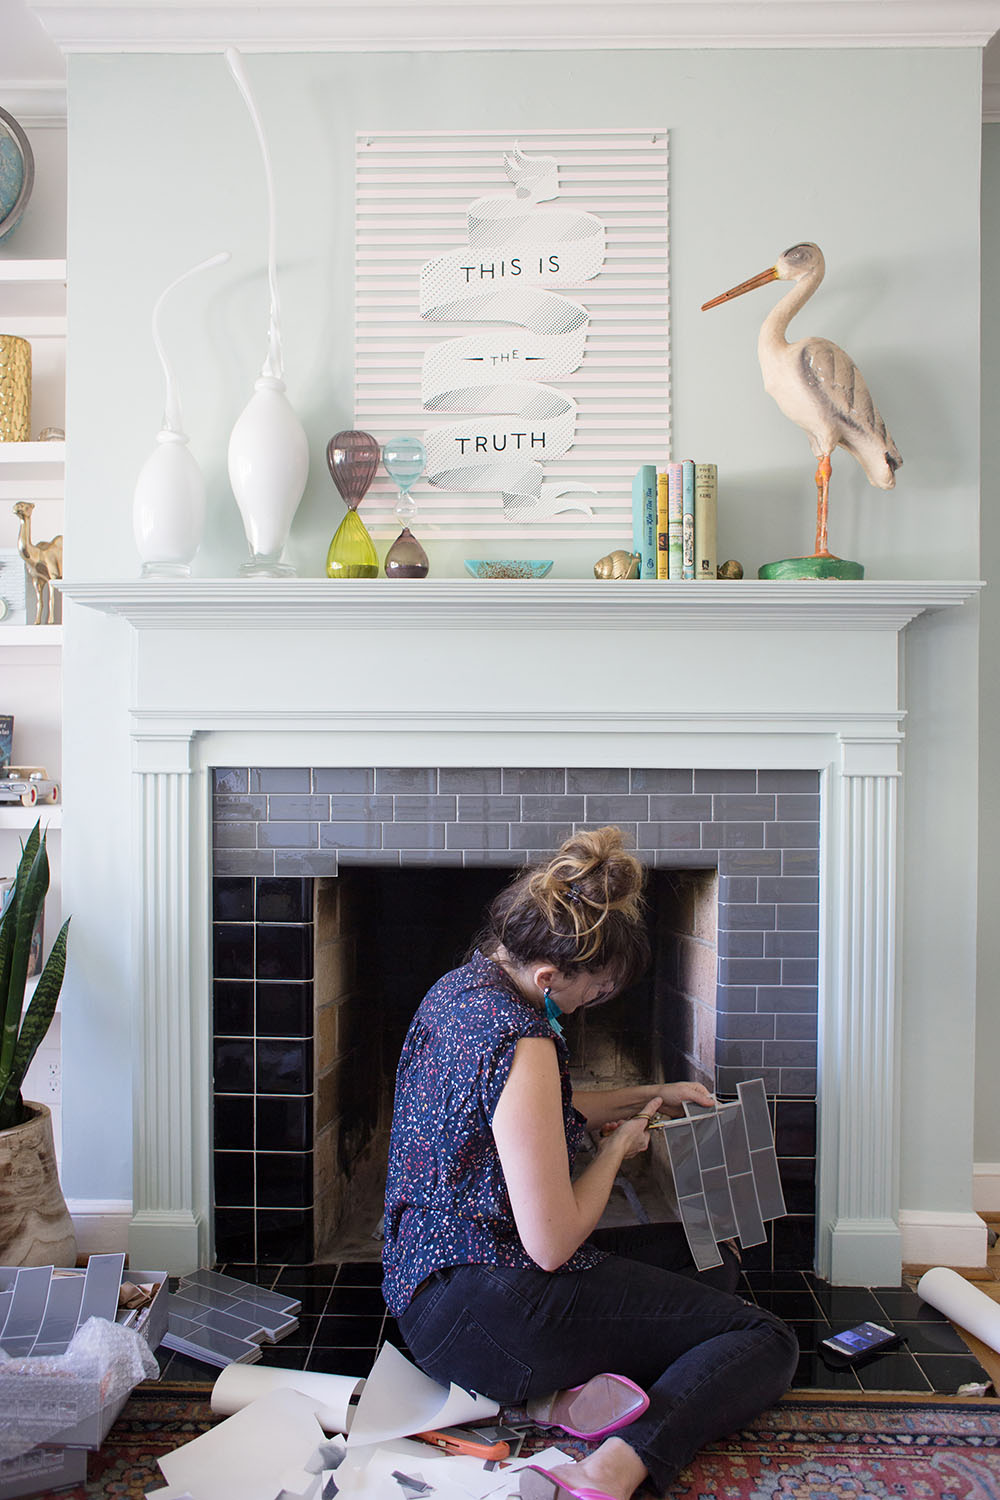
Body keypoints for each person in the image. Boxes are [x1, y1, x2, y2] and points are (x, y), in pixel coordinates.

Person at [382, 826, 799, 1500]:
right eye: (592, 993)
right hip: (489, 1313)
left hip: (425, 1293)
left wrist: (651, 1094)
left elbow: (537, 1109)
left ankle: (560, 1396)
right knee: (763, 1339)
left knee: (710, 1266)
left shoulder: (461, 990)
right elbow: (550, 1244)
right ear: (549, 975)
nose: (588, 1005)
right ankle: (615, 1464)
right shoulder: (524, 1040)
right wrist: (612, 1150)